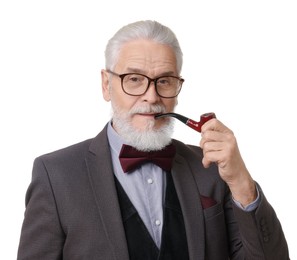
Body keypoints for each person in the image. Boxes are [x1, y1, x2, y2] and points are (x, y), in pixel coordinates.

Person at [17, 20, 290, 260]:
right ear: (106, 85)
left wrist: (241, 182)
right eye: (134, 79)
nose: (151, 97)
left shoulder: (213, 169)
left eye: (165, 81)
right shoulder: (55, 176)